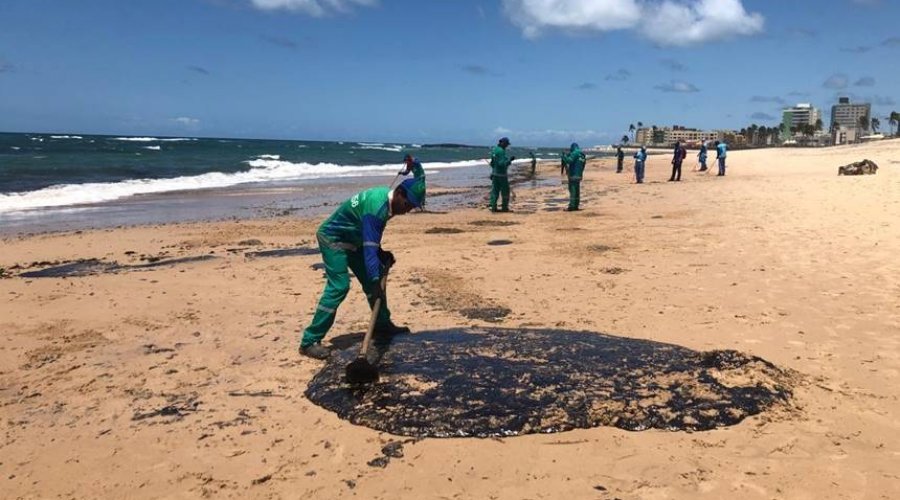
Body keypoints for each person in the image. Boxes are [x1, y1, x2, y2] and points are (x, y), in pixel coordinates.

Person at [299, 178, 427, 359]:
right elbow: (369, 248)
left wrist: (380, 254)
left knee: (371, 281)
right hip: (333, 238)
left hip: (354, 240)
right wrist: (375, 277)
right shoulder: (377, 208)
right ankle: (309, 341)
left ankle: (382, 325)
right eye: (408, 204)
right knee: (340, 286)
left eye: (413, 207)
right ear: (399, 193)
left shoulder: (386, 203)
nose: (408, 210)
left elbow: (370, 237)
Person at [489, 137, 515, 212]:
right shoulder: (501, 151)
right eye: (506, 144)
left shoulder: (494, 150)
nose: (506, 146)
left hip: (495, 174)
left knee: (494, 191)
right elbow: (502, 164)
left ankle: (493, 207)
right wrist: (510, 160)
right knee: (505, 191)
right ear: (503, 143)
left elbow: (492, 163)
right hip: (501, 175)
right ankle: (504, 208)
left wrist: (493, 172)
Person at [563, 143, 586, 211]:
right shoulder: (582, 155)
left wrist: (564, 156)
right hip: (579, 175)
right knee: (577, 191)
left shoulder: (575, 153)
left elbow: (569, 161)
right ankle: (576, 205)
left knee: (572, 190)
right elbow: (583, 165)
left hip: (573, 175)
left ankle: (572, 206)